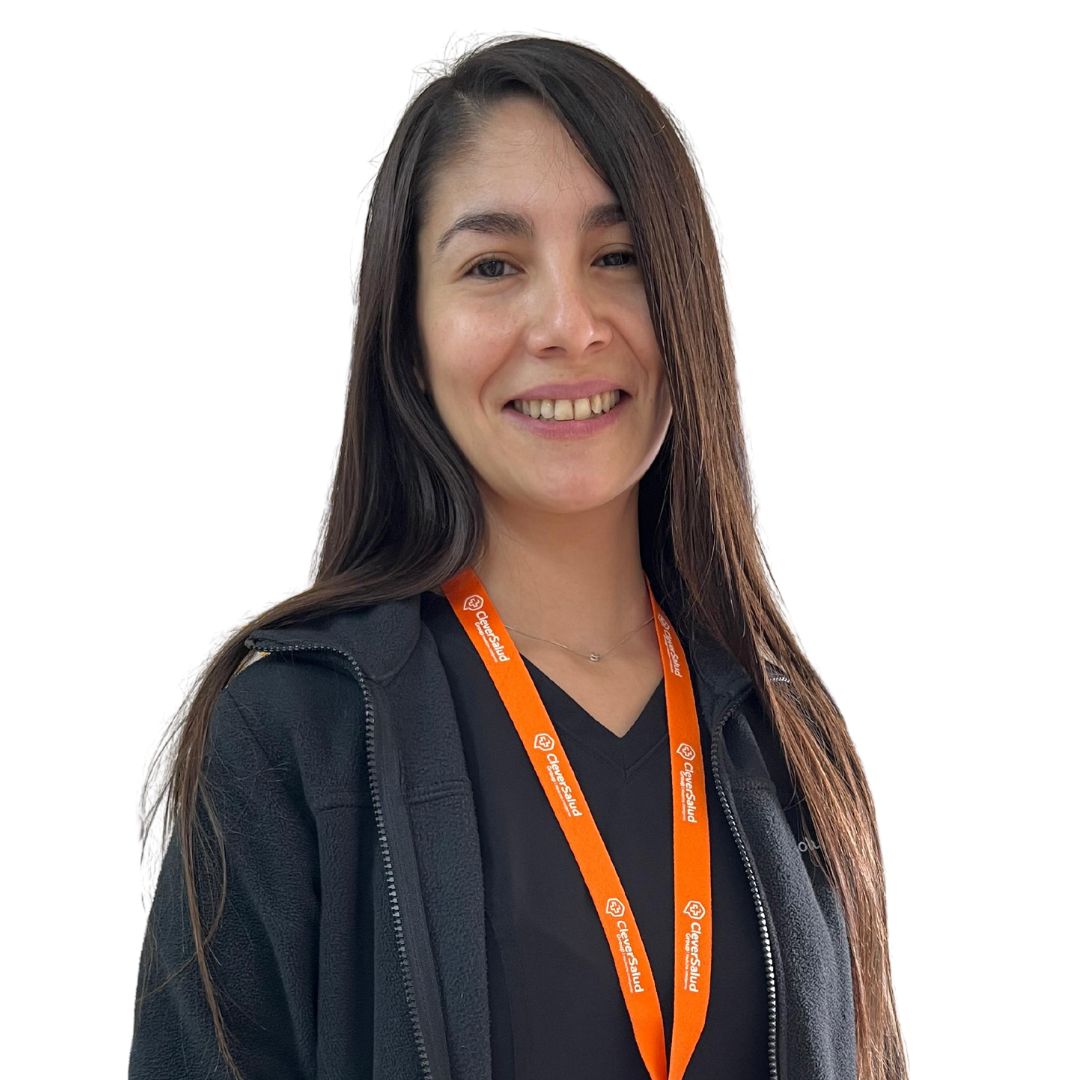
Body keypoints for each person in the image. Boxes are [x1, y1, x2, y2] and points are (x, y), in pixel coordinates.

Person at [128, 34, 908, 1080]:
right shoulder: (293, 735)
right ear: (408, 338)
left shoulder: (784, 736)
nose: (568, 326)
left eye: (618, 257)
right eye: (493, 267)